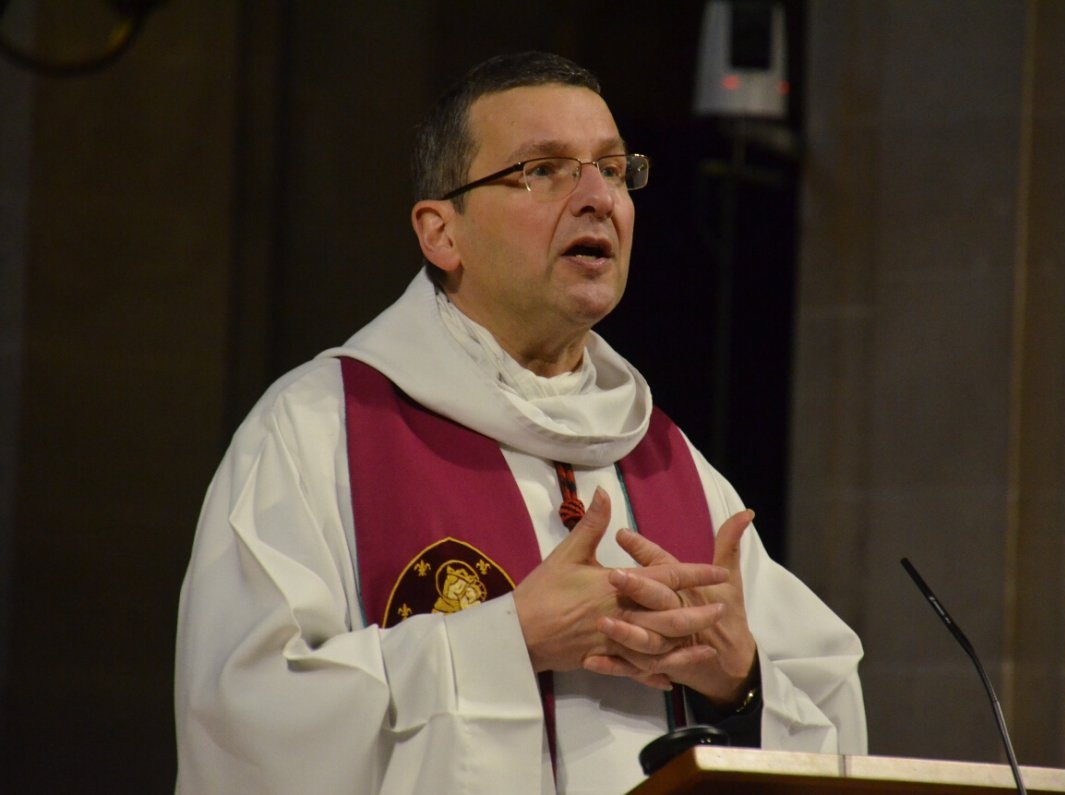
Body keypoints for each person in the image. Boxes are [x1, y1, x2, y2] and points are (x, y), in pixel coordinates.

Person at [174, 51, 866, 794]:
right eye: (543, 169)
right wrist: (507, 641)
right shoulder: (318, 430)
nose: (597, 196)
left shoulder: (672, 465)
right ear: (442, 233)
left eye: (611, 167)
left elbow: (833, 726)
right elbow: (243, 718)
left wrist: (738, 682)